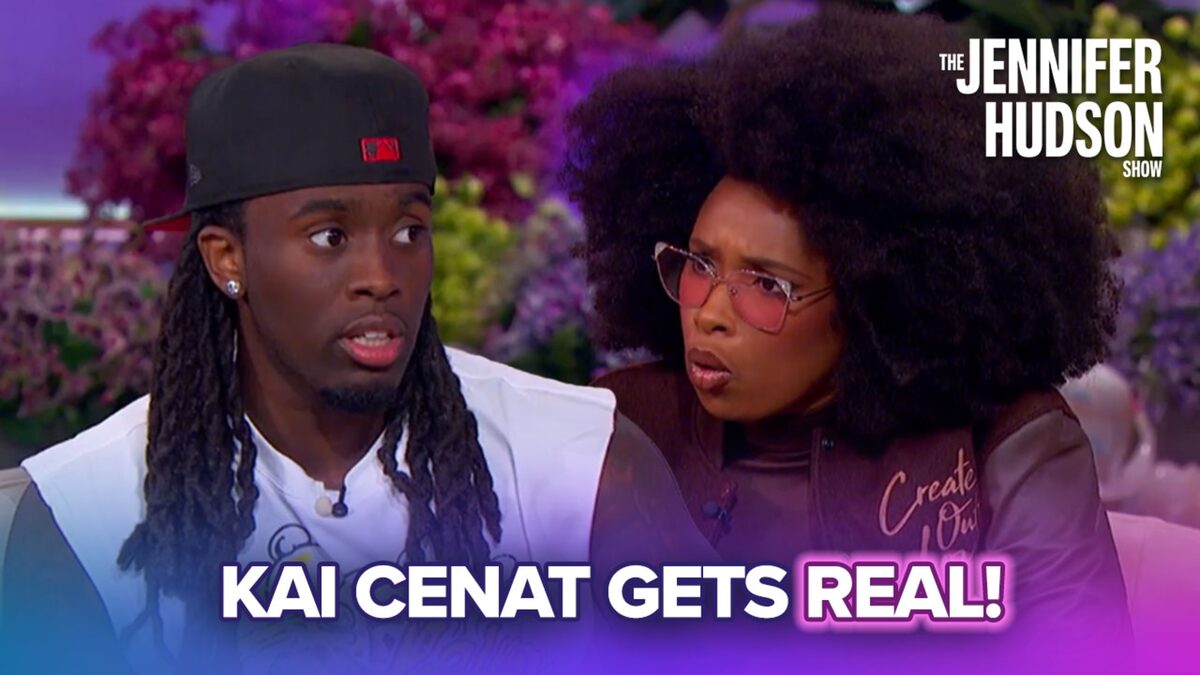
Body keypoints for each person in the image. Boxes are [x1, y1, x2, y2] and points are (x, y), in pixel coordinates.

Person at [1, 43, 709, 674]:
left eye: (408, 230)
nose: (381, 276)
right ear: (227, 259)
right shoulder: (84, 511)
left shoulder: (585, 465)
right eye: (329, 236)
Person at [564, 5, 1132, 662]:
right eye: (699, 265)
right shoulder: (620, 424)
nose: (710, 312)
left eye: (767, 284)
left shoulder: (1007, 444)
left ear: (873, 301)